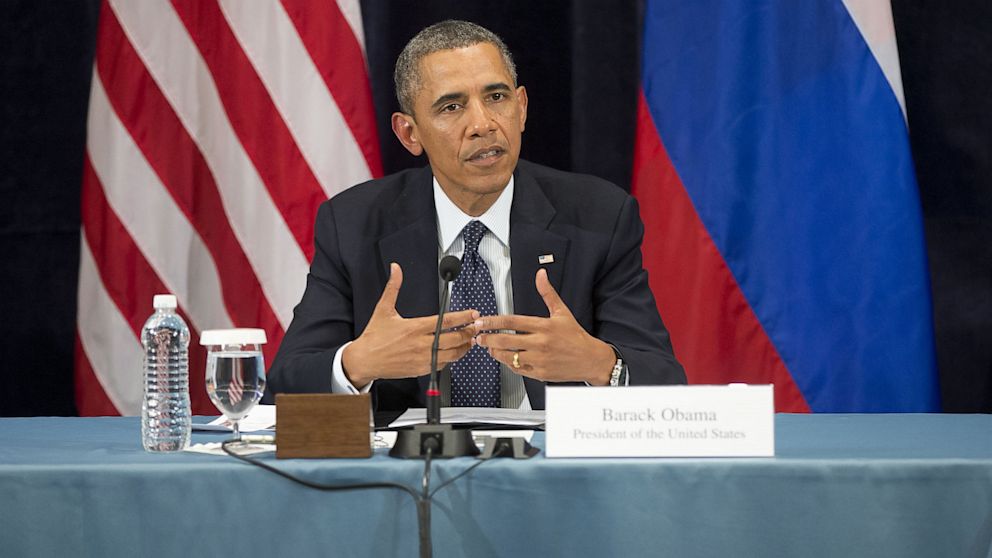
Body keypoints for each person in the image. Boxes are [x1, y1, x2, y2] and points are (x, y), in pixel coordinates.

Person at [267, 20, 685, 412]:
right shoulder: (353, 223)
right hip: (410, 473)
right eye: (451, 107)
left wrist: (599, 364)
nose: (483, 124)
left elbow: (666, 384)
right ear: (409, 134)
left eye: (496, 97)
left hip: (548, 471)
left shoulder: (599, 215)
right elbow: (282, 389)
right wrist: (359, 363)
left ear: (521, 108)